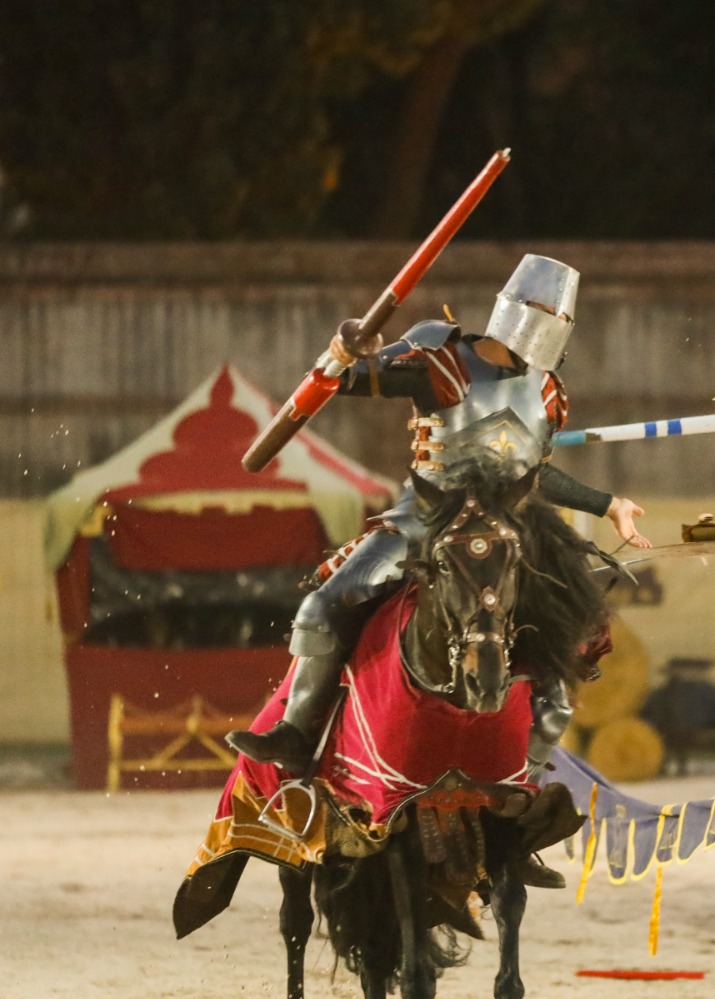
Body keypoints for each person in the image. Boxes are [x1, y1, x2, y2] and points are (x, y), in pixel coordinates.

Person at [227, 254, 651, 785]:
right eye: (547, 310)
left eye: (562, 316)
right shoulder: (446, 361)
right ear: (517, 309)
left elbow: (533, 473)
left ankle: (528, 779)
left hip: (512, 528)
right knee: (324, 604)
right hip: (427, 515)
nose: (555, 323)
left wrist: (607, 503)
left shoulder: (547, 392)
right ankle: (296, 733)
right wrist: (342, 357)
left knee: (571, 628)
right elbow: (355, 379)